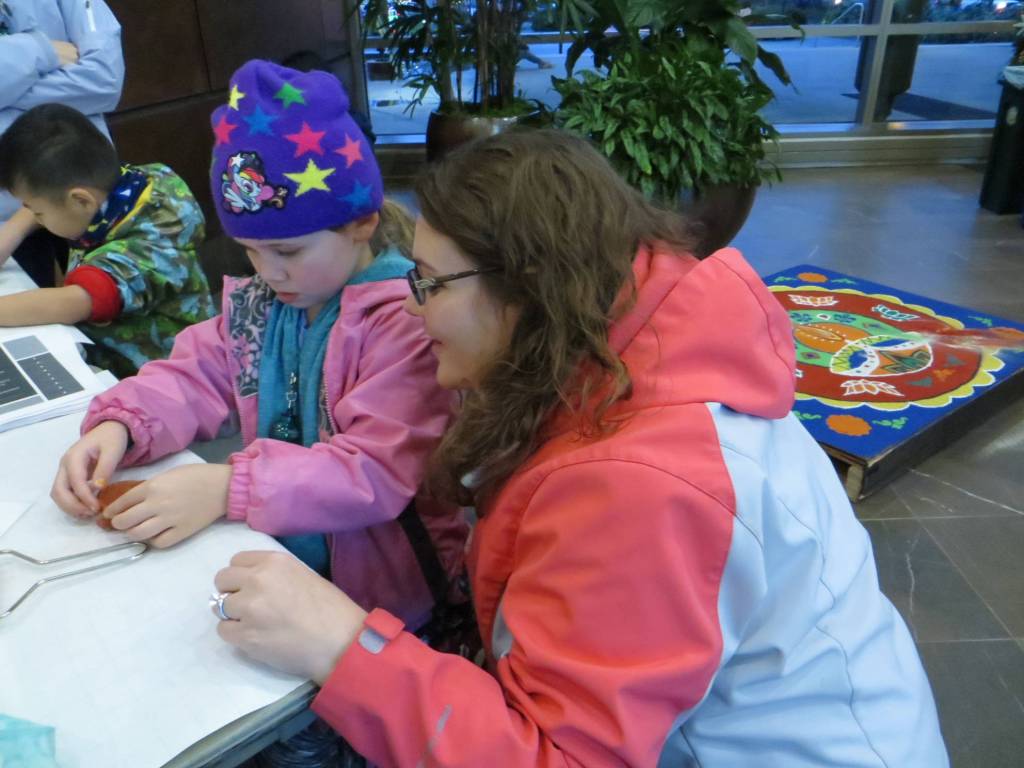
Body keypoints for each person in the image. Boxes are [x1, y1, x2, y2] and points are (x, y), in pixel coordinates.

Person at [207, 129, 949, 767]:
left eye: (429, 284)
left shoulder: (640, 483)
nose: (410, 302)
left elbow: (561, 755)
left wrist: (340, 646)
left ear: (527, 286)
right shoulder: (623, 345)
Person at [0, 103, 215, 377]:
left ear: (80, 200)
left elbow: (76, 301)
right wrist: (12, 232)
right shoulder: (123, 186)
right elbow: (44, 201)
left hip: (169, 380)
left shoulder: (151, 246)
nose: (35, 217)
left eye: (38, 211)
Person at [0, 0, 124, 287]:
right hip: (17, 218)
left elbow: (104, 80)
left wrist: (8, 90)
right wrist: (38, 51)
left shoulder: (141, 209)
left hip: (79, 198)